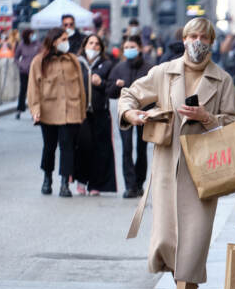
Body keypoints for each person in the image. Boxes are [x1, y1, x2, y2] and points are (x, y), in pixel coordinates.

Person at [118, 17, 235, 289]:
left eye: (204, 37)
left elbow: (233, 123)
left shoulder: (222, 80)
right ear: (184, 39)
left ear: (212, 42)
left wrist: (207, 117)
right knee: (167, 242)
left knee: (193, 247)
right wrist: (134, 114)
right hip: (167, 172)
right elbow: (129, 96)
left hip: (204, 173)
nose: (198, 41)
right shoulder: (163, 73)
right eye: (193, 35)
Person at [27, 27, 86, 197]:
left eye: (67, 39)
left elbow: (81, 88)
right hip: (48, 111)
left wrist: (81, 111)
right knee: (49, 147)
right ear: (54, 42)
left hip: (71, 111)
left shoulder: (73, 60)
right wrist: (35, 110)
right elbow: (33, 88)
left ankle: (64, 183)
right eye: (63, 39)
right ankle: (47, 178)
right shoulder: (39, 61)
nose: (66, 42)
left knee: (67, 147)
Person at [106, 35, 154, 198]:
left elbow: (156, 90)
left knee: (142, 149)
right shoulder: (119, 68)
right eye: (126, 47)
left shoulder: (149, 68)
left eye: (132, 46)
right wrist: (116, 86)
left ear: (139, 48)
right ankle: (129, 185)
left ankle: (139, 183)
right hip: (126, 113)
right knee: (126, 148)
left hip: (144, 113)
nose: (129, 50)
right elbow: (110, 91)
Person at [74, 34, 117, 196]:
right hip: (81, 113)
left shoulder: (107, 64)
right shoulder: (77, 63)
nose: (93, 46)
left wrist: (101, 83)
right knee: (82, 147)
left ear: (101, 47)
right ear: (85, 45)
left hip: (100, 113)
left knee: (101, 149)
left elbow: (112, 88)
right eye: (90, 43)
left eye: (97, 44)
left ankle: (96, 184)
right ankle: (80, 181)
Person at [13, 28, 41, 119]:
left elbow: (42, 55)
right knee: (23, 90)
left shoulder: (37, 44)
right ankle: (19, 109)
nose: (33, 36)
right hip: (24, 71)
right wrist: (20, 65)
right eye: (31, 34)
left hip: (35, 71)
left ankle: (35, 111)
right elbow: (16, 57)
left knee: (35, 91)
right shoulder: (21, 45)